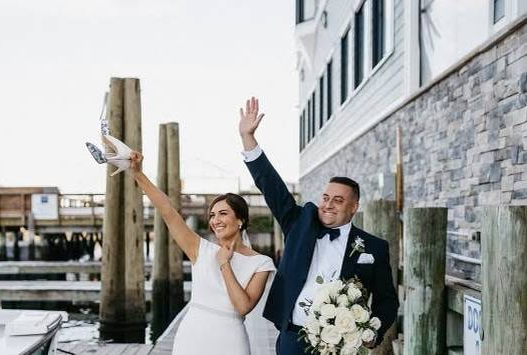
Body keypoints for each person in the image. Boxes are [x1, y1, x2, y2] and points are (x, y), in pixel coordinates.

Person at [238, 97, 399, 355]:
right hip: (293, 337)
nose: (328, 205)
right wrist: (248, 139)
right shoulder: (299, 223)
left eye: (338, 200)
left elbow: (387, 300)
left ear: (353, 207)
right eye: (325, 198)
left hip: (342, 346)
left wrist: (374, 331)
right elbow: (271, 186)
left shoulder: (374, 248)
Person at [129, 151, 276, 355]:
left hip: (230, 339)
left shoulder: (262, 263)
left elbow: (243, 307)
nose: (215, 220)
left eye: (223, 214)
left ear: (240, 220)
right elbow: (167, 210)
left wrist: (224, 264)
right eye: (212, 215)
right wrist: (138, 174)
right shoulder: (199, 249)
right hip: (193, 335)